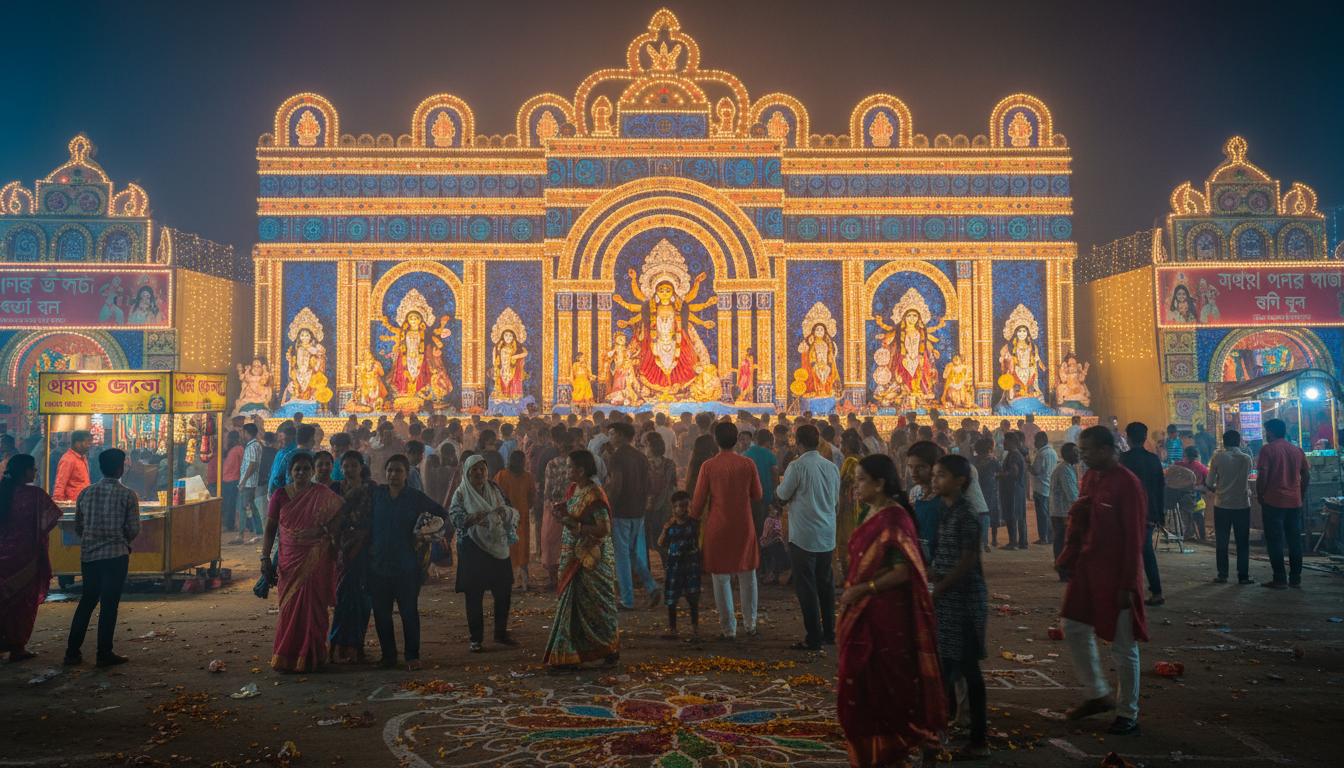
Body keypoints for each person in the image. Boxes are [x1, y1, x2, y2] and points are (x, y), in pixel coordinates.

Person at [837, 454, 945, 766]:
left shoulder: (896, 519)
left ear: (880, 483)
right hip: (863, 611)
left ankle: (901, 748)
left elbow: (903, 571)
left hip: (886, 616)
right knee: (856, 689)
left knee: (888, 691)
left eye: (860, 480)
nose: (855, 486)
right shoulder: (867, 513)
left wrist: (863, 589)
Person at [1056, 426, 1149, 736]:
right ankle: (1096, 693)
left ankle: (1128, 713)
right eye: (1080, 450)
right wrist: (1070, 554)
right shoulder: (1090, 478)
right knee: (1073, 626)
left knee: (1123, 645)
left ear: (1107, 450)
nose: (1081, 455)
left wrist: (1127, 585)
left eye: (1087, 450)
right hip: (1088, 567)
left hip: (1118, 572)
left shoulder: (1128, 485)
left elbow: (1135, 539)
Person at [928, 454, 990, 760]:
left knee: (966, 668)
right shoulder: (945, 510)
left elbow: (967, 561)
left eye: (941, 475)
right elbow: (944, 555)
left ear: (960, 481)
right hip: (947, 598)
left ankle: (978, 737)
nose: (934, 480)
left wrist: (937, 588)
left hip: (965, 601)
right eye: (934, 475)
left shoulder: (966, 513)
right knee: (948, 665)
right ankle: (947, 721)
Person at [260, 452, 343, 673]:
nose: (302, 473)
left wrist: (324, 532)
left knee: (315, 607)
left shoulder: (322, 494)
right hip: (288, 560)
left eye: (307, 469)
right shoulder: (279, 495)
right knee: (289, 607)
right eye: (297, 469)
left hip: (316, 557)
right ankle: (287, 655)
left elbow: (339, 518)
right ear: (290, 472)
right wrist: (264, 557)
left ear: (312, 471)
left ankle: (313, 655)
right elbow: (269, 529)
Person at [367, 454, 446, 670]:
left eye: (398, 470)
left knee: (408, 612)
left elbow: (441, 515)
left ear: (407, 472)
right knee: (382, 614)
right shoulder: (377, 495)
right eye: (390, 470)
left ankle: (412, 655)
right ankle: (388, 655)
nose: (393, 474)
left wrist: (424, 535)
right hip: (378, 565)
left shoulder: (415, 497)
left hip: (406, 565)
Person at [543, 449, 620, 670]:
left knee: (596, 605)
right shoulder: (574, 490)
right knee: (572, 604)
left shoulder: (595, 494)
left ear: (581, 470)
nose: (567, 470)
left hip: (591, 559)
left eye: (569, 467)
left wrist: (575, 525)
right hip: (572, 555)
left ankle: (607, 648)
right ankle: (570, 654)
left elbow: (603, 528)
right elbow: (574, 511)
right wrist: (563, 511)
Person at [64, 448, 139, 667]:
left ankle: (71, 652)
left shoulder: (85, 493)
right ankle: (104, 653)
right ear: (121, 468)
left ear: (100, 468)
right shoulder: (128, 494)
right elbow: (133, 529)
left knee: (87, 601)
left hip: (89, 556)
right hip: (117, 555)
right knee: (109, 605)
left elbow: (79, 526)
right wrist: (119, 539)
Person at [690, 421, 764, 640]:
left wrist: (690, 522)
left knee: (720, 578)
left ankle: (728, 629)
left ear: (716, 440)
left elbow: (698, 503)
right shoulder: (748, 463)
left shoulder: (708, 466)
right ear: (737, 439)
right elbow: (758, 495)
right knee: (748, 576)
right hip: (743, 525)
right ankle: (750, 626)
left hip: (718, 526)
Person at [774, 424, 840, 651]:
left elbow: (782, 494)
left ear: (798, 443)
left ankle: (813, 638)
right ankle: (829, 633)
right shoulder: (831, 467)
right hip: (826, 533)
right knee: (825, 584)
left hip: (803, 535)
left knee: (807, 587)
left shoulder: (797, 466)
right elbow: (834, 500)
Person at [450, 455, 520, 652]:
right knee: (474, 594)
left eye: (483, 469)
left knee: (503, 592)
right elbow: (455, 516)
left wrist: (504, 513)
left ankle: (501, 633)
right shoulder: (461, 493)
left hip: (498, 547)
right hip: (472, 549)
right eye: (475, 470)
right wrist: (473, 518)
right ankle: (476, 638)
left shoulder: (494, 488)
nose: (480, 473)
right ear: (467, 472)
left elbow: (509, 506)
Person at [0, 454, 63, 662]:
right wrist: (37, 532)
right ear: (26, 471)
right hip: (26, 558)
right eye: (34, 469)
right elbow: (52, 518)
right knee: (23, 605)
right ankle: (17, 647)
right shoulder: (36, 495)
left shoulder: (3, 493)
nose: (35, 472)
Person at [604, 422, 659, 610]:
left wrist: (609, 505)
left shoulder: (617, 457)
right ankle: (651, 586)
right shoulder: (641, 456)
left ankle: (627, 600)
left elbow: (616, 486)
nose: (610, 437)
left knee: (622, 556)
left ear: (620, 435)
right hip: (638, 512)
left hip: (622, 512)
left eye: (612, 433)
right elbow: (650, 485)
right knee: (631, 553)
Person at [329, 450, 375, 663]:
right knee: (342, 598)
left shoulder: (370, 489)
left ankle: (357, 646)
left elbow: (375, 517)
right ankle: (336, 648)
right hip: (341, 548)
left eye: (353, 466)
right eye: (345, 466)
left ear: (361, 466)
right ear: (341, 468)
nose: (349, 470)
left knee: (361, 599)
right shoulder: (335, 488)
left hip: (362, 548)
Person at [1256, 418, 1311, 589]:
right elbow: (1306, 474)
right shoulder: (1297, 450)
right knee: (1294, 541)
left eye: (1266, 431)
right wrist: (1299, 494)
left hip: (1273, 501)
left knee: (1274, 540)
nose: (1266, 434)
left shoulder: (1267, 450)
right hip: (1294, 502)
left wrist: (1260, 494)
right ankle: (1295, 577)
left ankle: (1279, 577)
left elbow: (1262, 476)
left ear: (1270, 432)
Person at [1119, 423, 1165, 606]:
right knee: (1144, 551)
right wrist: (1161, 514)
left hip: (1132, 512)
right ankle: (1153, 591)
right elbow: (1161, 487)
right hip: (1151, 512)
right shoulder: (1153, 459)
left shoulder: (1124, 459)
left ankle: (1148, 592)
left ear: (1127, 438)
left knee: (1136, 551)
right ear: (1145, 438)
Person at [1207, 430, 1254, 584]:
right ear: (1239, 442)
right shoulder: (1247, 459)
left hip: (1222, 504)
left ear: (1223, 442)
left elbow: (1208, 482)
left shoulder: (1218, 457)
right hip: (1242, 504)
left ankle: (1222, 574)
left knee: (1222, 541)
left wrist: (1217, 489)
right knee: (1242, 542)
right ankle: (1243, 576)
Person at [656, 490, 701, 640]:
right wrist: (664, 529)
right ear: (672, 509)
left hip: (691, 568)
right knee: (672, 600)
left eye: (684, 506)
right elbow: (660, 543)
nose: (681, 509)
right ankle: (673, 629)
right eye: (677, 506)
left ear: (690, 506)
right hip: (674, 568)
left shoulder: (695, 524)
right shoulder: (670, 526)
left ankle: (695, 629)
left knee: (693, 599)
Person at [541, 430, 577, 592]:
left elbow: (548, 489)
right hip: (574, 507)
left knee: (551, 543)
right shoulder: (578, 464)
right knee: (572, 542)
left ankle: (554, 580)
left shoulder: (553, 464)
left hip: (555, 507)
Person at [493, 450, 534, 592]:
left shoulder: (501, 476)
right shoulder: (528, 477)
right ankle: (524, 582)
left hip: (505, 518)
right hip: (521, 517)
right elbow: (532, 500)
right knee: (522, 548)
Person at [643, 432, 678, 573]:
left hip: (650, 506)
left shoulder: (646, 465)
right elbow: (674, 485)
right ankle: (667, 564)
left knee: (651, 536)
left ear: (651, 449)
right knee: (664, 537)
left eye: (648, 447)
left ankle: (650, 567)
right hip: (666, 506)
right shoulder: (670, 464)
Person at [906, 440, 944, 558]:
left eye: (921, 467)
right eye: (911, 467)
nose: (914, 472)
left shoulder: (944, 499)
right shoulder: (917, 495)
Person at [743, 429, 780, 540]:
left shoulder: (744, 455)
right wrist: (776, 498)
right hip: (765, 501)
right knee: (764, 535)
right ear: (768, 443)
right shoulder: (770, 455)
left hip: (747, 501)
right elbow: (775, 479)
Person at [1050, 442, 1081, 574]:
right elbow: (1071, 494)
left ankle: (1062, 568)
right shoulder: (1064, 469)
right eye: (1075, 452)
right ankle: (1063, 569)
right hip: (1062, 511)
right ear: (1068, 454)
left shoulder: (1066, 467)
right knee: (1063, 542)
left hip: (1060, 510)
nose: (1078, 455)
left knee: (1061, 541)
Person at [1028, 431, 1057, 545]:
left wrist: (1028, 466)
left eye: (1036, 440)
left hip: (1040, 488)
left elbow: (1036, 471)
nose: (1034, 442)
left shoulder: (1041, 454)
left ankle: (1043, 538)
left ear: (1041, 441)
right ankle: (1049, 537)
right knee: (1048, 514)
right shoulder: (1053, 452)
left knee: (1041, 515)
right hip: (1049, 486)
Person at [973, 438, 1001, 552]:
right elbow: (1000, 471)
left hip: (977, 489)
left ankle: (980, 540)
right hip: (991, 488)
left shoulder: (974, 460)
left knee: (979, 513)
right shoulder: (993, 460)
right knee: (992, 513)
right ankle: (993, 539)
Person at [52, 430, 93, 502]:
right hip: (73, 504)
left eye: (90, 442)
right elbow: (60, 485)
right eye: (87, 442)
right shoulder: (68, 459)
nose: (89, 445)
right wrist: (60, 506)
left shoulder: (83, 457)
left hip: (83, 502)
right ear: (77, 443)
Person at [221, 431, 243, 533]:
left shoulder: (229, 450)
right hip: (234, 479)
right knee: (232, 504)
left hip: (226, 479)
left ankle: (228, 524)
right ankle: (230, 525)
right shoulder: (239, 449)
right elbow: (243, 464)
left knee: (228, 504)